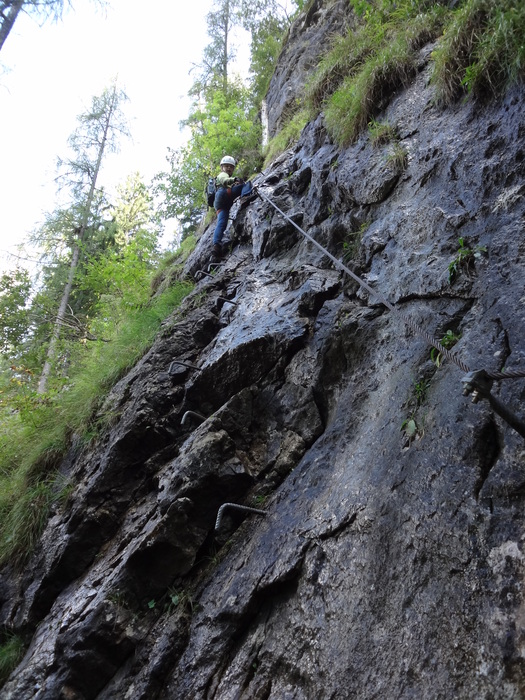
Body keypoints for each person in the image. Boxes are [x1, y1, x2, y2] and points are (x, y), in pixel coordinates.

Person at [210, 155, 245, 262]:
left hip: (220, 204)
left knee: (222, 223)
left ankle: (216, 246)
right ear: (222, 167)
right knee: (245, 186)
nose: (229, 168)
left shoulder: (224, 177)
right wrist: (235, 179)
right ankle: (248, 195)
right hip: (223, 195)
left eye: (231, 167)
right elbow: (224, 180)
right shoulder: (222, 175)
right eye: (226, 166)